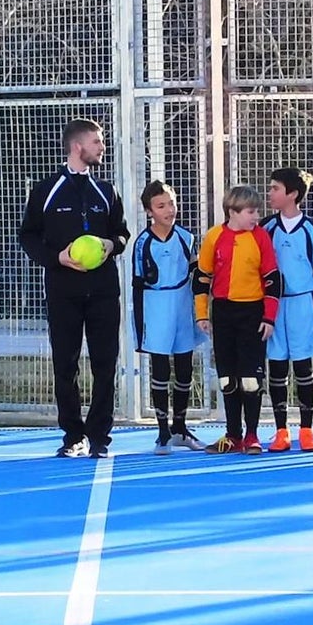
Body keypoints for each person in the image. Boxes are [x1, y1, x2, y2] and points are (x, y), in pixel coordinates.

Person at [18, 118, 130, 459]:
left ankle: (99, 437)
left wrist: (112, 245)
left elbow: (121, 234)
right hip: (63, 291)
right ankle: (72, 435)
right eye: (97, 142)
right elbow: (28, 236)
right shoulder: (46, 189)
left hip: (103, 292)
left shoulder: (106, 191)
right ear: (77, 146)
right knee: (65, 364)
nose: (102, 147)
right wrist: (58, 258)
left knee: (105, 363)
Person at [194, 184, 281, 455]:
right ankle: (233, 434)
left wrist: (269, 318)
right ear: (233, 211)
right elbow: (202, 278)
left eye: (257, 211)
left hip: (253, 313)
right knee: (227, 377)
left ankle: (252, 434)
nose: (256, 216)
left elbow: (273, 279)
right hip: (223, 312)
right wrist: (201, 314)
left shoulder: (261, 237)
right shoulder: (214, 237)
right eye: (251, 211)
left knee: (250, 378)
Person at [132, 180, 206, 455]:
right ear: (149, 211)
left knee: (185, 368)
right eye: (161, 206)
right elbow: (137, 286)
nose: (169, 210)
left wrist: (200, 312)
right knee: (160, 368)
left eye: (172, 203)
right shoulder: (143, 243)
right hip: (156, 307)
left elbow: (197, 276)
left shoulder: (186, 238)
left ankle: (180, 427)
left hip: (182, 307)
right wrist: (140, 328)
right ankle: (162, 431)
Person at [262, 167, 313, 453]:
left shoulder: (312, 229)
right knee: (276, 368)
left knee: (303, 367)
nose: (270, 193)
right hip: (274, 304)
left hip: (302, 303)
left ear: (293, 194)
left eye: (275, 188)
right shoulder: (266, 228)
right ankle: (280, 430)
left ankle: (307, 430)